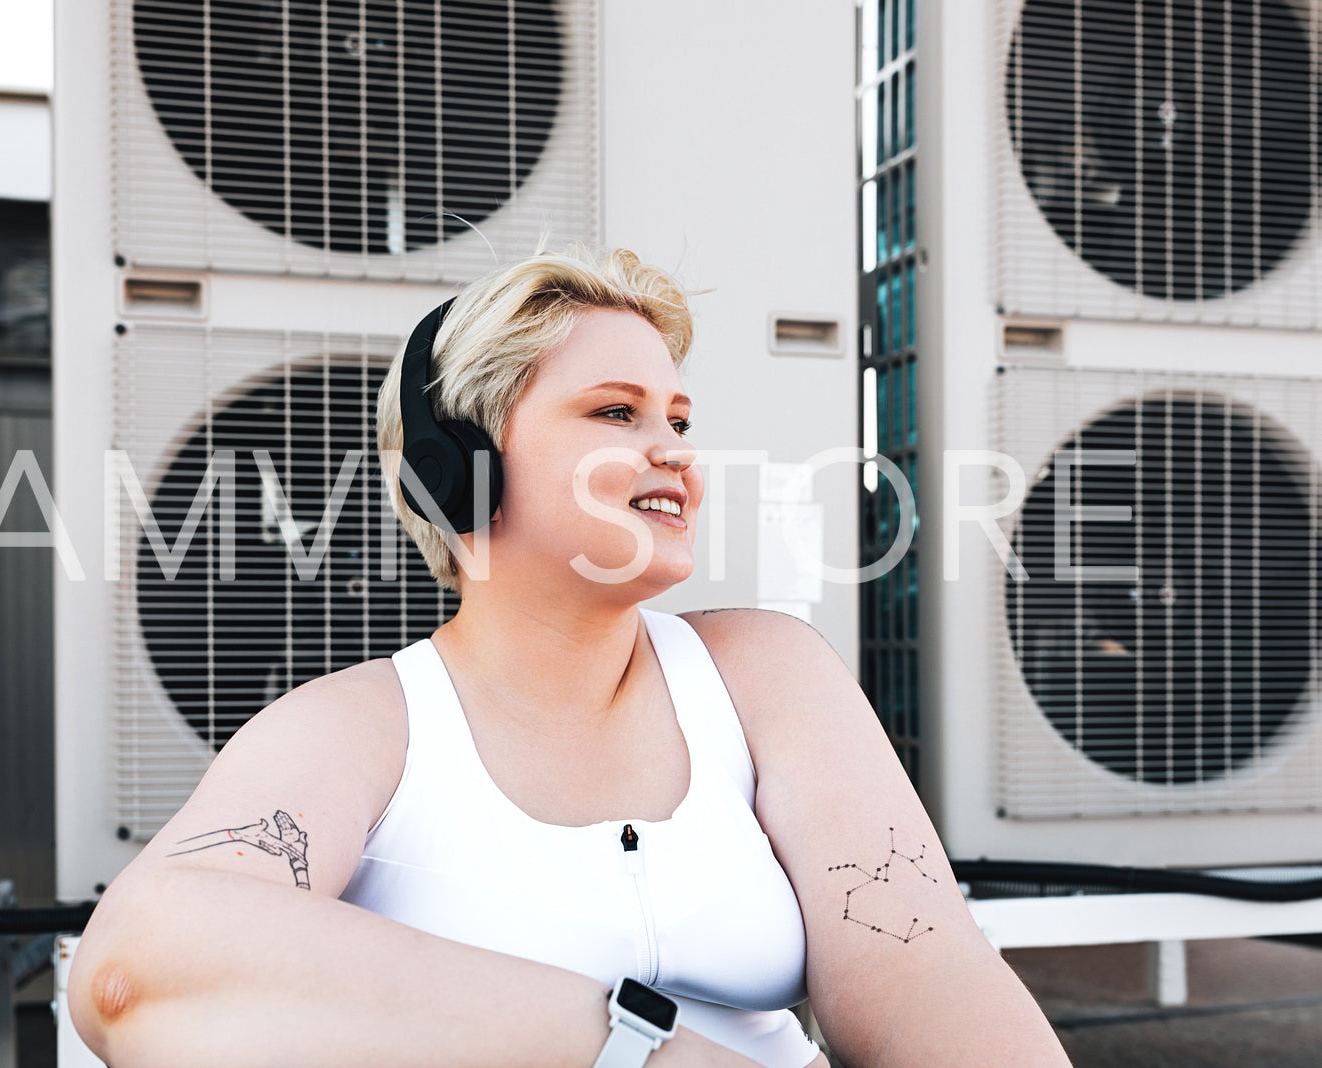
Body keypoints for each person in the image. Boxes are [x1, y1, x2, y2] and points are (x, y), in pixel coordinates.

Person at [68, 246, 1070, 1067]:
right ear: (460, 467)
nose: (675, 450)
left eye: (678, 420)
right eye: (614, 412)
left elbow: (923, 969)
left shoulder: (769, 672)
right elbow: (140, 971)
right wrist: (643, 1053)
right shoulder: (358, 726)